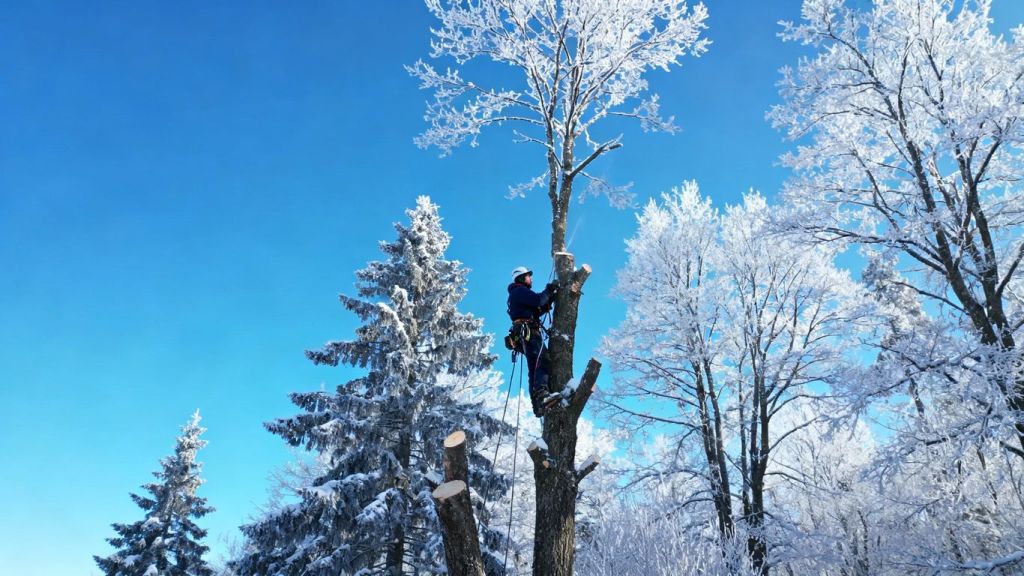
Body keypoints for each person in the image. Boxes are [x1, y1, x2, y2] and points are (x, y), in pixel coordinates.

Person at [507, 266, 559, 417]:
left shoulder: (518, 294)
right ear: (522, 278)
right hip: (529, 332)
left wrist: (549, 300)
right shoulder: (519, 291)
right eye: (528, 276)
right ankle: (542, 395)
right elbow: (537, 301)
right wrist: (549, 290)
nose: (531, 279)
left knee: (534, 366)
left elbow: (537, 308)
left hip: (526, 331)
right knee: (540, 361)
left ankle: (538, 405)